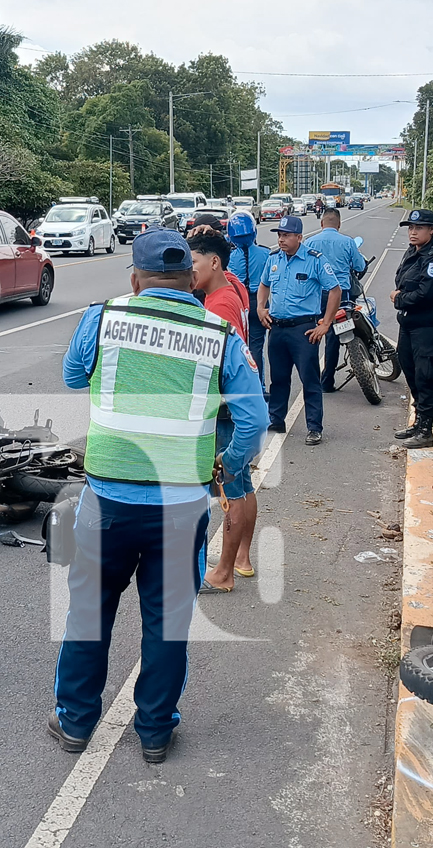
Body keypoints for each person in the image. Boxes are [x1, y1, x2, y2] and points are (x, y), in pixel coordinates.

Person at [53, 227, 266, 763]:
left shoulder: (104, 317)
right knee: (168, 622)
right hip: (180, 505)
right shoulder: (218, 332)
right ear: (191, 278)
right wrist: (228, 464)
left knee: (88, 612)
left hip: (106, 502)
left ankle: (76, 722)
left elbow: (75, 376)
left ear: (135, 277)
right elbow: (254, 418)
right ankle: (154, 732)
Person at [189, 229, 261, 594]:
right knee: (242, 487)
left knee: (228, 489)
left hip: (227, 408)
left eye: (195, 263)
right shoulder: (230, 287)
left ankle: (224, 571)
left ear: (214, 263)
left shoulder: (218, 305)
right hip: (236, 404)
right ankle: (240, 560)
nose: (189, 271)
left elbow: (220, 364)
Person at [257, 215, 340, 446]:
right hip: (277, 328)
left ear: (299, 237)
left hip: (304, 330)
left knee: (310, 379)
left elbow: (335, 290)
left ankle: (314, 427)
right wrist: (260, 308)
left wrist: (325, 324)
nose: (281, 239)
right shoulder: (274, 258)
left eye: (286, 235)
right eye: (279, 235)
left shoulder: (314, 260)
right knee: (279, 378)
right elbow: (264, 284)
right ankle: (276, 419)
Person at [390, 208, 433, 449]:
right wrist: (402, 296)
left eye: (419, 228)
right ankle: (418, 423)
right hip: (408, 325)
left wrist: (398, 299)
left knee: (426, 377)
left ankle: (426, 430)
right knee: (411, 371)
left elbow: (425, 295)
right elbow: (402, 281)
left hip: (428, 327)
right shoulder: (412, 252)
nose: (413, 232)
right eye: (411, 228)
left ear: (432, 230)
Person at [302, 207, 365, 391]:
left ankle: (311, 380)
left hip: (316, 296)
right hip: (341, 296)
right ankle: (327, 381)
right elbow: (360, 265)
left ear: (322, 223)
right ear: (339, 224)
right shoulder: (347, 242)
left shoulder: (310, 242)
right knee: (334, 337)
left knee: (313, 335)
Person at [225, 212, 270, 373]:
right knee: (256, 346)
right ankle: (258, 383)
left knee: (237, 344)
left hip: (238, 303)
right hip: (260, 302)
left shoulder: (228, 257)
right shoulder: (265, 254)